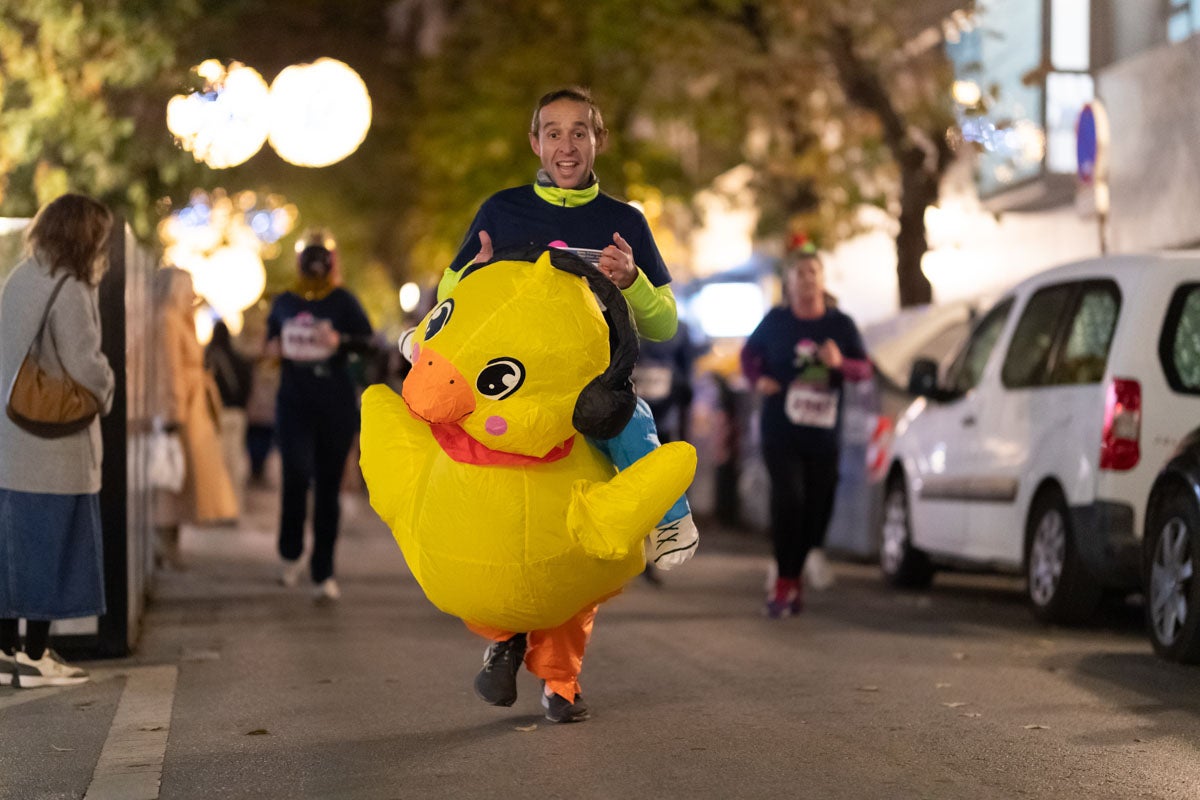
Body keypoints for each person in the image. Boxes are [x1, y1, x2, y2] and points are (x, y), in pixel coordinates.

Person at [438, 86, 696, 722]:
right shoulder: (500, 210)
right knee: (495, 530)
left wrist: (633, 281)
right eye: (552, 133)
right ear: (535, 143)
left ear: (597, 140)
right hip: (510, 406)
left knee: (575, 548)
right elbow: (447, 300)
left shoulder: (624, 222)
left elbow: (665, 325)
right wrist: (477, 273)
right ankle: (508, 642)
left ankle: (558, 680)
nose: (566, 146)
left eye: (579, 132)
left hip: (590, 406)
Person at [0, 193, 115, 687]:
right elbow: (84, 365)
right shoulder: (69, 287)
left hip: (12, 440)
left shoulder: (23, 275)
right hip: (52, 446)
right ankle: (36, 653)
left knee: (14, 550)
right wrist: (108, 385)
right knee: (51, 546)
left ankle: (8, 652)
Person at [740, 239, 871, 618]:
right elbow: (749, 356)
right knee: (789, 498)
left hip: (823, 432)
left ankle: (796, 567)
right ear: (789, 282)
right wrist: (759, 378)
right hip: (780, 428)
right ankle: (785, 583)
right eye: (800, 273)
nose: (808, 279)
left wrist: (839, 363)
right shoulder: (777, 321)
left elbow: (863, 371)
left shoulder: (840, 325)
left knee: (818, 505)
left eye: (814, 272)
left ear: (822, 280)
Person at [267, 233, 373, 604]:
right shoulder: (284, 301)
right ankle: (291, 550)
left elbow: (368, 340)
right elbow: (268, 344)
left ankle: (323, 570)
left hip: (335, 403)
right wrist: (273, 349)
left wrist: (338, 341)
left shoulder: (343, 301)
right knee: (295, 474)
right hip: (294, 403)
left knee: (329, 487)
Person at [151, 267, 238, 569]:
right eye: (186, 288)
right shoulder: (168, 320)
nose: (191, 295)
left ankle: (168, 543)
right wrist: (172, 412)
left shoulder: (177, 319)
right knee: (174, 479)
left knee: (181, 480)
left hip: (192, 408)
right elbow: (168, 369)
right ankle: (165, 542)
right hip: (183, 410)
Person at [205, 320, 253, 516]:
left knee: (218, 462)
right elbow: (248, 386)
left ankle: (219, 508)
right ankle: (234, 507)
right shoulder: (241, 359)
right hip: (238, 414)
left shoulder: (211, 357)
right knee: (235, 461)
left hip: (218, 414)